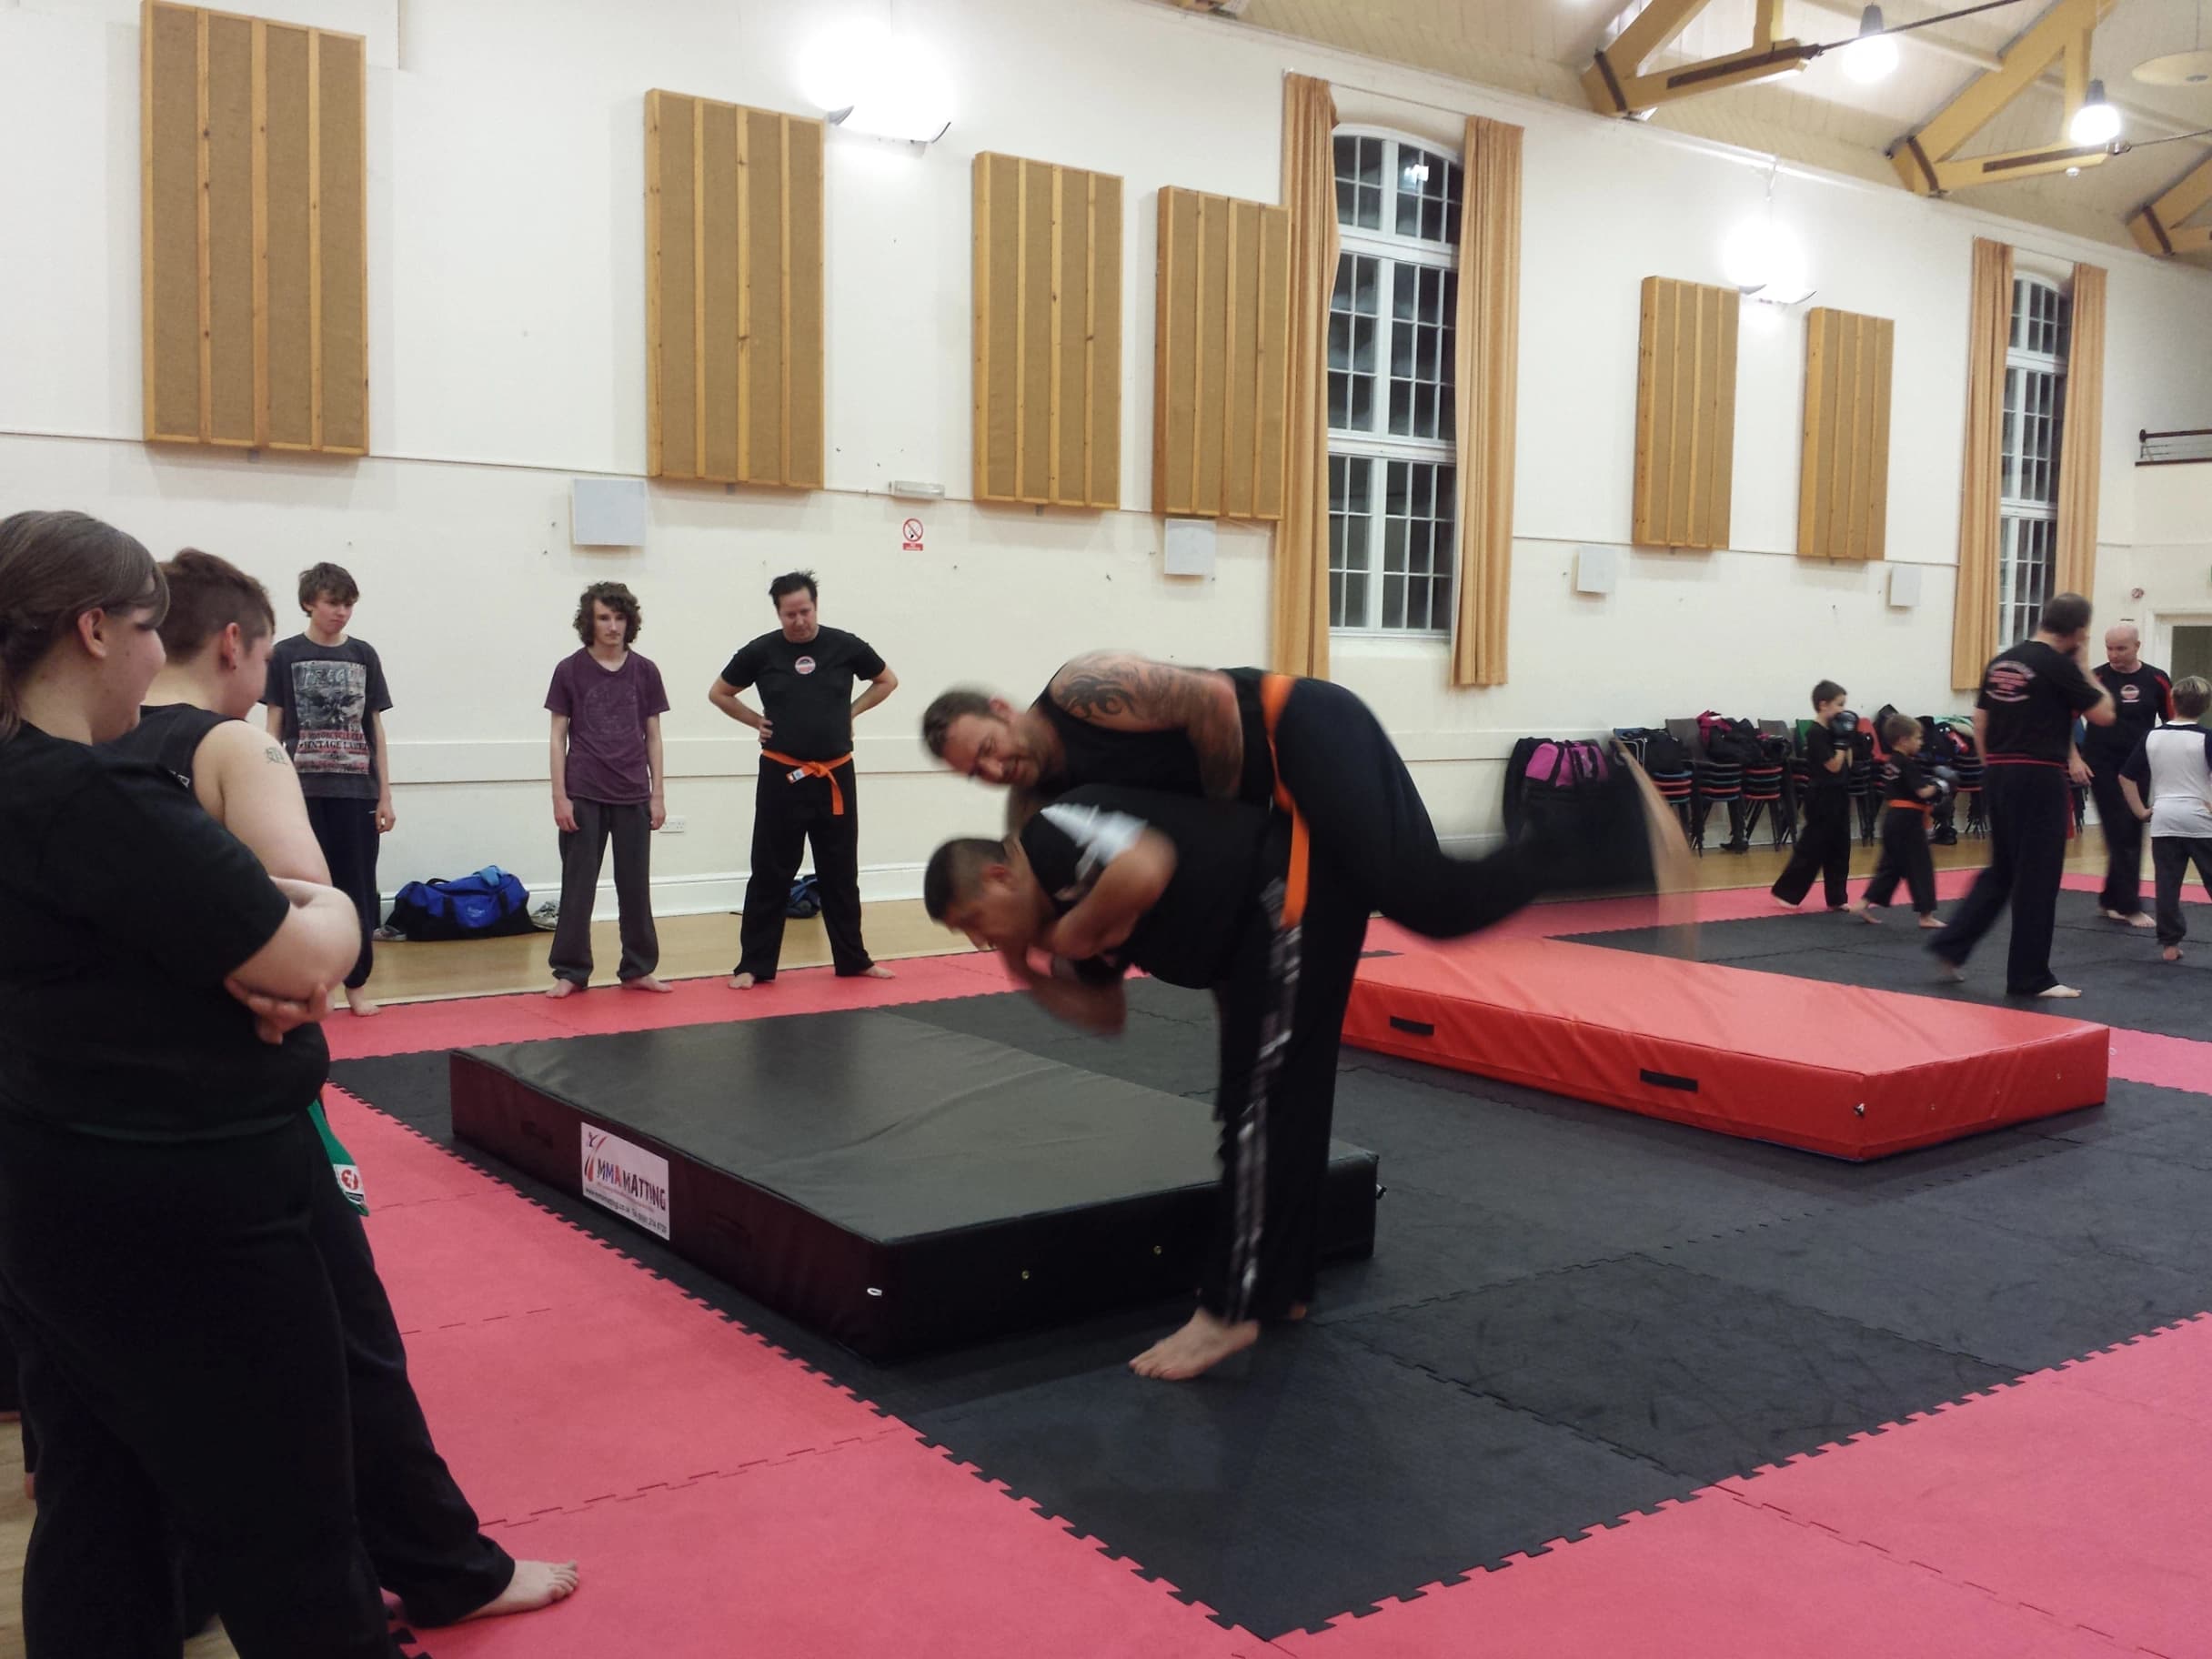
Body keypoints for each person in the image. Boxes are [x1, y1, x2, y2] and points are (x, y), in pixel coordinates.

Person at [106, 548, 580, 1628]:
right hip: (241, 1105)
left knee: (158, 1371)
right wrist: (275, 963)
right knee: (345, 1341)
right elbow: (314, 937)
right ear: (237, 644)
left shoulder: (80, 748)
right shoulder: (231, 745)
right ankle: (444, 1566)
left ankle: (178, 1585)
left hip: (110, 1113)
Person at [0, 509, 395, 1655]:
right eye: (140, 628)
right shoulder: (92, 800)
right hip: (189, 1207)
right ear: (91, 630)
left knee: (99, 1503)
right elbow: (311, 951)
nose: (150, 654)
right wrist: (325, 911)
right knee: (292, 1524)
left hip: (49, 1192)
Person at [921, 786, 1382, 1382]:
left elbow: (1144, 867)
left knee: (1255, 1112)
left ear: (999, 876)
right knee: (1281, 1103)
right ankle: (1283, 1285)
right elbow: (1106, 1016)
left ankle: (1228, 1310)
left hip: (1282, 892)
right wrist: (1025, 971)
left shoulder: (1052, 838)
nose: (979, 941)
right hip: (1247, 934)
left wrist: (1071, 937)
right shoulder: (1050, 919)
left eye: (974, 921)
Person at [920, 652, 1672, 932]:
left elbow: (1213, 705)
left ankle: (1610, 807)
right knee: (1438, 906)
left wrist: (1237, 848)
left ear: (1002, 712)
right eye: (972, 772)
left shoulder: (1082, 689)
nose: (991, 770)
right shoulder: (1035, 805)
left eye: (986, 751)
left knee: (1426, 897)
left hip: (1304, 728)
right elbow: (1023, 894)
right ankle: (1606, 820)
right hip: (1278, 795)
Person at [710, 571, 899, 989]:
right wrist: (754, 721)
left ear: (816, 606)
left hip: (835, 774)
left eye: (806, 611)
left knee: (840, 871)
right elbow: (719, 692)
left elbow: (887, 680)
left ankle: (853, 959)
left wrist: (851, 712)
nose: (799, 620)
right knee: (770, 871)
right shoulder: (761, 651)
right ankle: (753, 965)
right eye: (790, 614)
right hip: (782, 775)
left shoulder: (844, 645)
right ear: (779, 613)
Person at [1931, 592, 2116, 999]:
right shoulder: (2058, 665)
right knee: (2038, 877)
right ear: (2079, 631)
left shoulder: (2003, 661)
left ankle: (1951, 945)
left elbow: (1979, 721)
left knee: (2002, 870)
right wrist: (2083, 666)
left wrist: (1993, 767)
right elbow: (2104, 713)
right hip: (2039, 776)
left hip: (2000, 772)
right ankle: (2030, 977)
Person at [265, 560, 395, 1016]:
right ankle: (310, 981)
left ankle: (357, 983)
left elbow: (374, 727)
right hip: (301, 790)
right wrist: (270, 788)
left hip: (356, 789)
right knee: (305, 889)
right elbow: (274, 726)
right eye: (333, 603)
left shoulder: (363, 655)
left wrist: (385, 795)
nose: (342, 612)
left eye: (349, 604)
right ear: (309, 604)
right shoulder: (284, 655)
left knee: (357, 889)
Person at [547, 581, 672, 998]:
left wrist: (658, 794)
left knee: (635, 885)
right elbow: (557, 736)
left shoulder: (646, 671)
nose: (612, 626)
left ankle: (638, 967)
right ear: (590, 621)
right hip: (583, 791)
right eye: (604, 617)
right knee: (577, 886)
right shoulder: (569, 670)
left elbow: (653, 735)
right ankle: (571, 970)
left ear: (629, 622)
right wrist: (559, 796)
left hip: (634, 791)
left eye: (619, 618)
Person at [2083, 623, 2174, 928]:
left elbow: (2174, 720)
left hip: (2139, 765)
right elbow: (2066, 720)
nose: (2113, 655)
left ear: (2137, 646)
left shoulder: (2157, 679)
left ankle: (2111, 898)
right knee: (2121, 830)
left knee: (2131, 830)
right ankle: (2129, 905)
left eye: (2121, 648)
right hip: (2101, 764)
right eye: (2109, 648)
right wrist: (2073, 759)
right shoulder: (2095, 678)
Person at [2119, 675, 2212, 964]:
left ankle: (2170, 946)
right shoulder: (2207, 738)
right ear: (2206, 705)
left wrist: (2140, 811)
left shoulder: (2151, 736)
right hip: (2199, 818)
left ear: (2172, 702)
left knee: (2167, 885)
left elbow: (2126, 777)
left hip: (2164, 817)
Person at [1849, 713, 1946, 928]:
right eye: (1918, 738)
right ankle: (1926, 915)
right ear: (1904, 740)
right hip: (1908, 821)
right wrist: (1942, 785)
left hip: (1893, 818)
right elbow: (1922, 792)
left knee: (1892, 866)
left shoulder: (1891, 762)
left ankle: (1864, 903)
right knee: (1921, 866)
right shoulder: (1907, 764)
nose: (1921, 742)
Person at [1771, 681, 1855, 912]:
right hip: (1822, 796)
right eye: (1839, 705)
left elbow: (1848, 763)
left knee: (1840, 847)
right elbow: (1833, 766)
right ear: (1823, 704)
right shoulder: (1815, 733)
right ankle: (1785, 892)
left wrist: (1846, 739)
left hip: (1839, 794)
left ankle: (1837, 897)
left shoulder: (1834, 730)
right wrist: (1840, 743)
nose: (1842, 710)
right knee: (1813, 847)